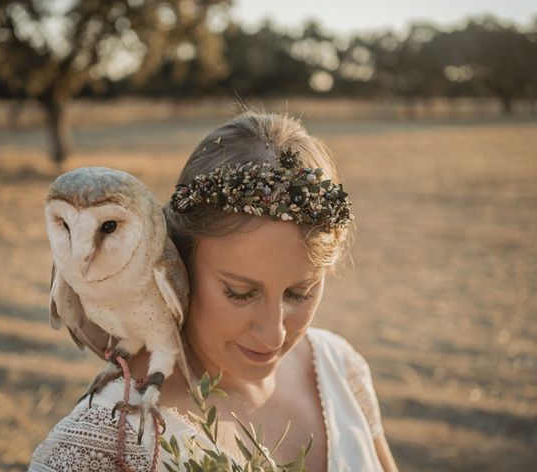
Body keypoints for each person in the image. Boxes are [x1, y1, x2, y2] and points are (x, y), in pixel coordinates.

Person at [29, 111, 399, 471]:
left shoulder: (339, 368)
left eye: (300, 292)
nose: (274, 334)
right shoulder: (108, 441)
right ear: (181, 264)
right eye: (239, 292)